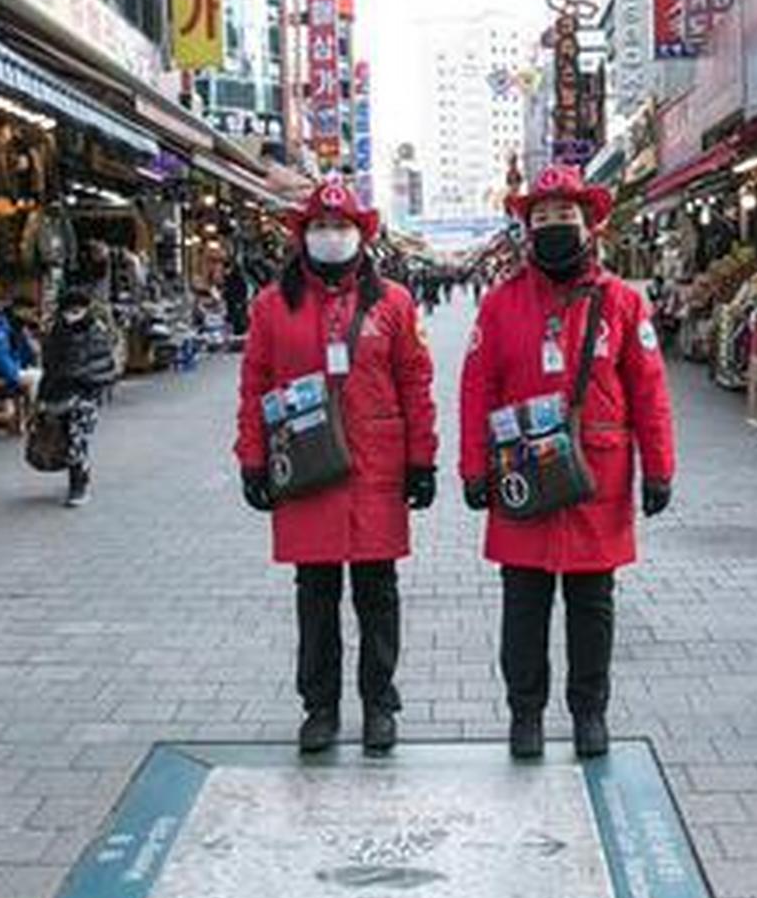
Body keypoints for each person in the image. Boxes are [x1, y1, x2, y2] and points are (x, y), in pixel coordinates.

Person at [460, 165, 676, 760]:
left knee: (592, 606)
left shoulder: (623, 303)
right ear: (527, 231)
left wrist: (660, 466)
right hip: (523, 472)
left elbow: (649, 390)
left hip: (597, 478)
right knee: (522, 605)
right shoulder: (500, 305)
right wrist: (472, 467)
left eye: (566, 218)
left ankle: (589, 713)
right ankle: (525, 715)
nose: (555, 228)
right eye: (543, 219)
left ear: (589, 226)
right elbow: (476, 387)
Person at [236, 180, 438, 756]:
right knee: (316, 593)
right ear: (303, 235)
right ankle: (319, 707)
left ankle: (380, 703)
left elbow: (416, 383)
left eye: (340, 225)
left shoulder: (393, 302)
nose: (331, 235)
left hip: (377, 467)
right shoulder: (272, 306)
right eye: (320, 226)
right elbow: (255, 385)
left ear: (361, 233)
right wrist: (252, 459)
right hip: (306, 468)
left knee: (377, 591)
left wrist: (422, 458)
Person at [38, 285, 121, 507]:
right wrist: (43, 397)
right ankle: (79, 475)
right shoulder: (56, 331)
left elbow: (100, 363)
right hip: (59, 393)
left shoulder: (96, 330)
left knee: (77, 438)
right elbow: (50, 366)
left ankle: (78, 485)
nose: (72, 314)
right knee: (65, 437)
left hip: (85, 394)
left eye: (77, 309)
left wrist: (79, 377)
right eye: (68, 309)